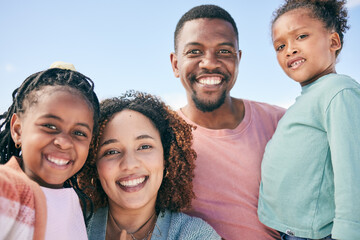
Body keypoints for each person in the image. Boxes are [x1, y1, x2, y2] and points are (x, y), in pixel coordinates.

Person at [169, 4, 285, 240]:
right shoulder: (162, 136)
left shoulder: (281, 123)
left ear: (238, 59)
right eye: (194, 52)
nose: (210, 63)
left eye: (224, 51)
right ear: (175, 64)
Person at [258, 0, 360, 239]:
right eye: (280, 46)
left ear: (333, 42)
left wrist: (348, 232)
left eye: (301, 36)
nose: (289, 50)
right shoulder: (306, 98)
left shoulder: (338, 91)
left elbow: (352, 172)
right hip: (290, 231)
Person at [79, 90, 221, 240]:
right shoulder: (71, 225)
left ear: (166, 157)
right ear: (93, 165)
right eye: (112, 151)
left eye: (144, 147)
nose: (130, 164)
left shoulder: (197, 234)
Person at [0, 66, 100, 240]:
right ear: (18, 130)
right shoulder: (8, 189)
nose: (64, 142)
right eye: (50, 126)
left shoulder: (73, 201)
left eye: (79, 133)